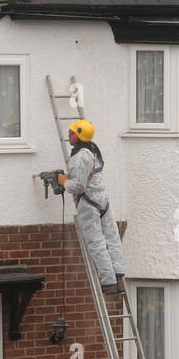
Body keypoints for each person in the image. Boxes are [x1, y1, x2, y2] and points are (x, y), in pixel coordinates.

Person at [57, 120, 125, 295]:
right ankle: (118, 277)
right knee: (112, 239)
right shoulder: (94, 151)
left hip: (89, 203)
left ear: (77, 136)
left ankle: (109, 282)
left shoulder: (80, 156)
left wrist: (64, 182)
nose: (69, 136)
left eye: (71, 133)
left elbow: (79, 186)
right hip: (103, 199)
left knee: (96, 242)